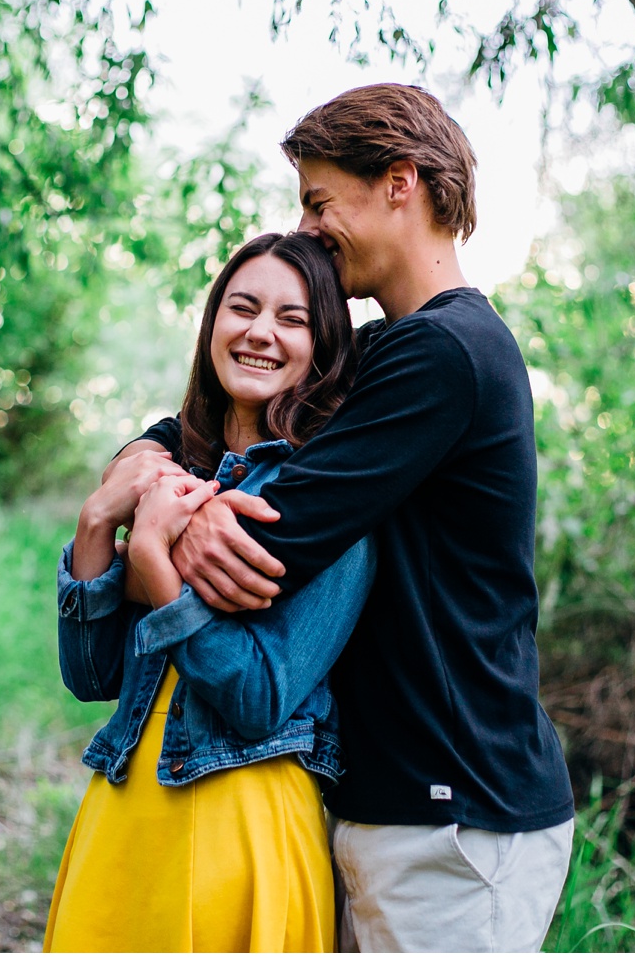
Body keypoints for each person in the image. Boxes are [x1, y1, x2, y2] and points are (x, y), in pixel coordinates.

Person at [116, 84, 576, 952]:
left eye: (321, 201)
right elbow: (201, 432)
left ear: (399, 182)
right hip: (392, 802)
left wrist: (184, 518)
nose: (312, 226)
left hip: (456, 809)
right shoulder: (380, 352)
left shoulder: (447, 351)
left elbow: (267, 540)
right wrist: (143, 474)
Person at [43, 231, 375, 953]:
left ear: (323, 347)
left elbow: (256, 699)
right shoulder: (165, 469)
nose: (260, 332)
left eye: (293, 319)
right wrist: (99, 517)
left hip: (243, 814)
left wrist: (157, 561)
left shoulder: (330, 499)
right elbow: (89, 674)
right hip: (124, 801)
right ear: (212, 323)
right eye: (243, 307)